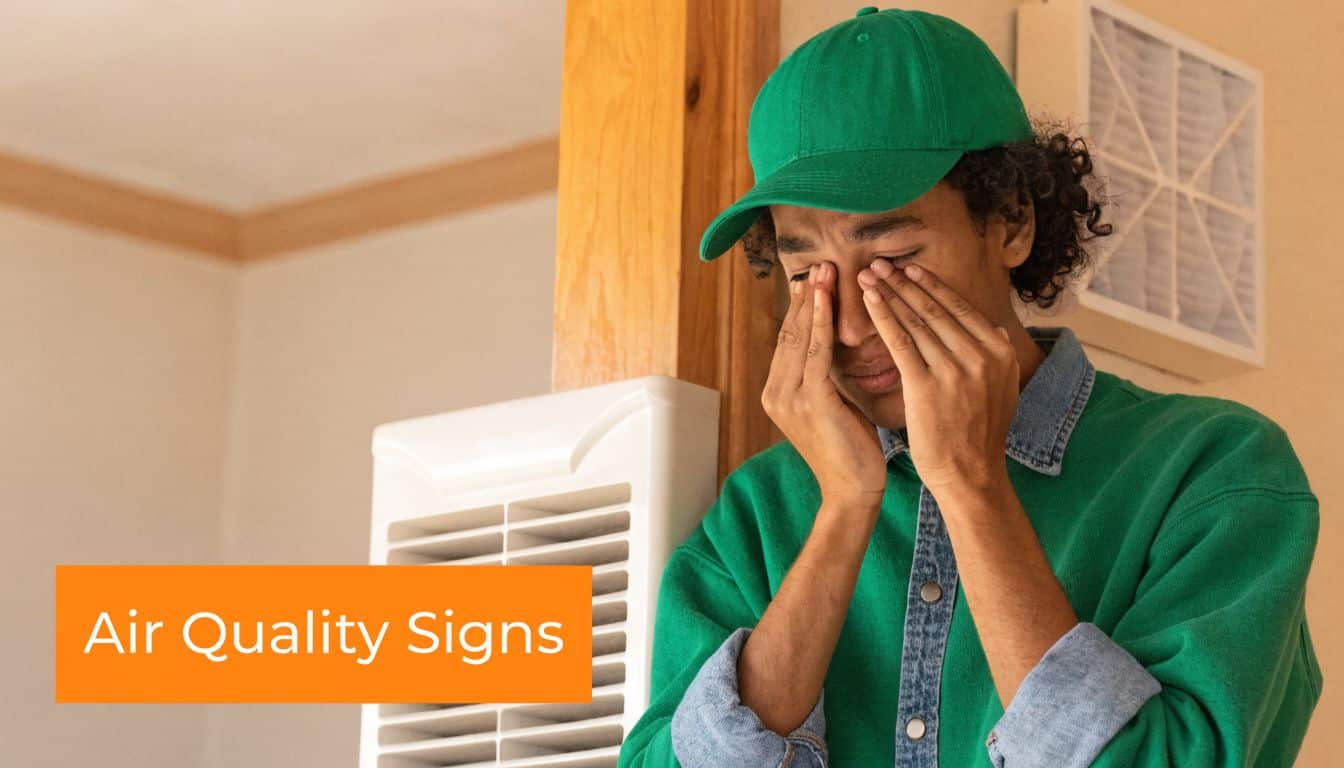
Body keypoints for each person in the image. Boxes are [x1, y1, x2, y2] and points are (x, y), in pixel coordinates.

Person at [615, 6, 1322, 768]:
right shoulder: (754, 519)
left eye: (890, 253)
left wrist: (971, 485)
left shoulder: (1214, 471)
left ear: (1011, 222)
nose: (849, 325)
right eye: (805, 272)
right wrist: (845, 509)